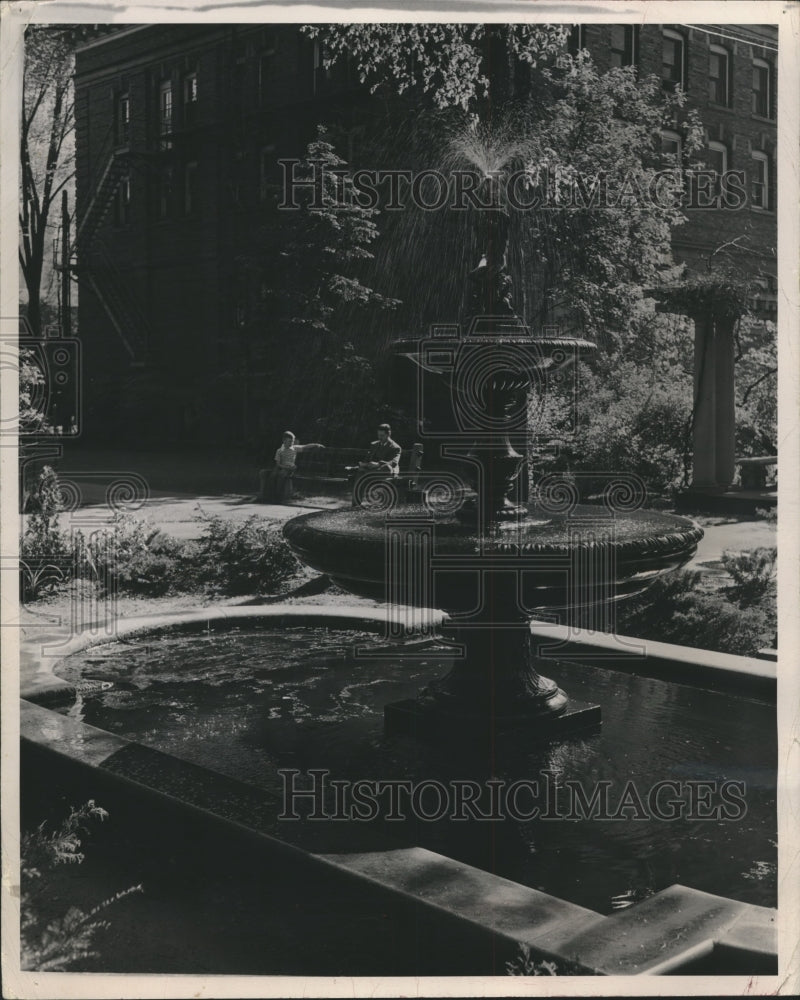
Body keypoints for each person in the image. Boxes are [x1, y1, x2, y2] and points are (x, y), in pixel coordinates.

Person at [258, 431, 324, 504]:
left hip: (290, 469)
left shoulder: (294, 448)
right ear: (284, 441)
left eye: (292, 441)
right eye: (289, 441)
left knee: (281, 474)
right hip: (281, 467)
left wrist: (316, 444)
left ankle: (278, 496)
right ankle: (265, 495)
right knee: (267, 473)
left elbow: (305, 446)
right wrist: (279, 468)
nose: (291, 443)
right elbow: (278, 464)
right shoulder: (280, 450)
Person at [351, 423, 402, 505]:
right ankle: (355, 504)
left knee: (387, 468)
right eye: (378, 435)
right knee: (360, 473)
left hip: (386, 471)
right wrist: (365, 464)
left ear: (388, 434)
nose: (380, 438)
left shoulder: (395, 447)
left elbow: (394, 463)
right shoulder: (374, 444)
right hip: (373, 470)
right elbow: (367, 459)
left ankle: (364, 473)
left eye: (382, 435)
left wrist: (378, 464)